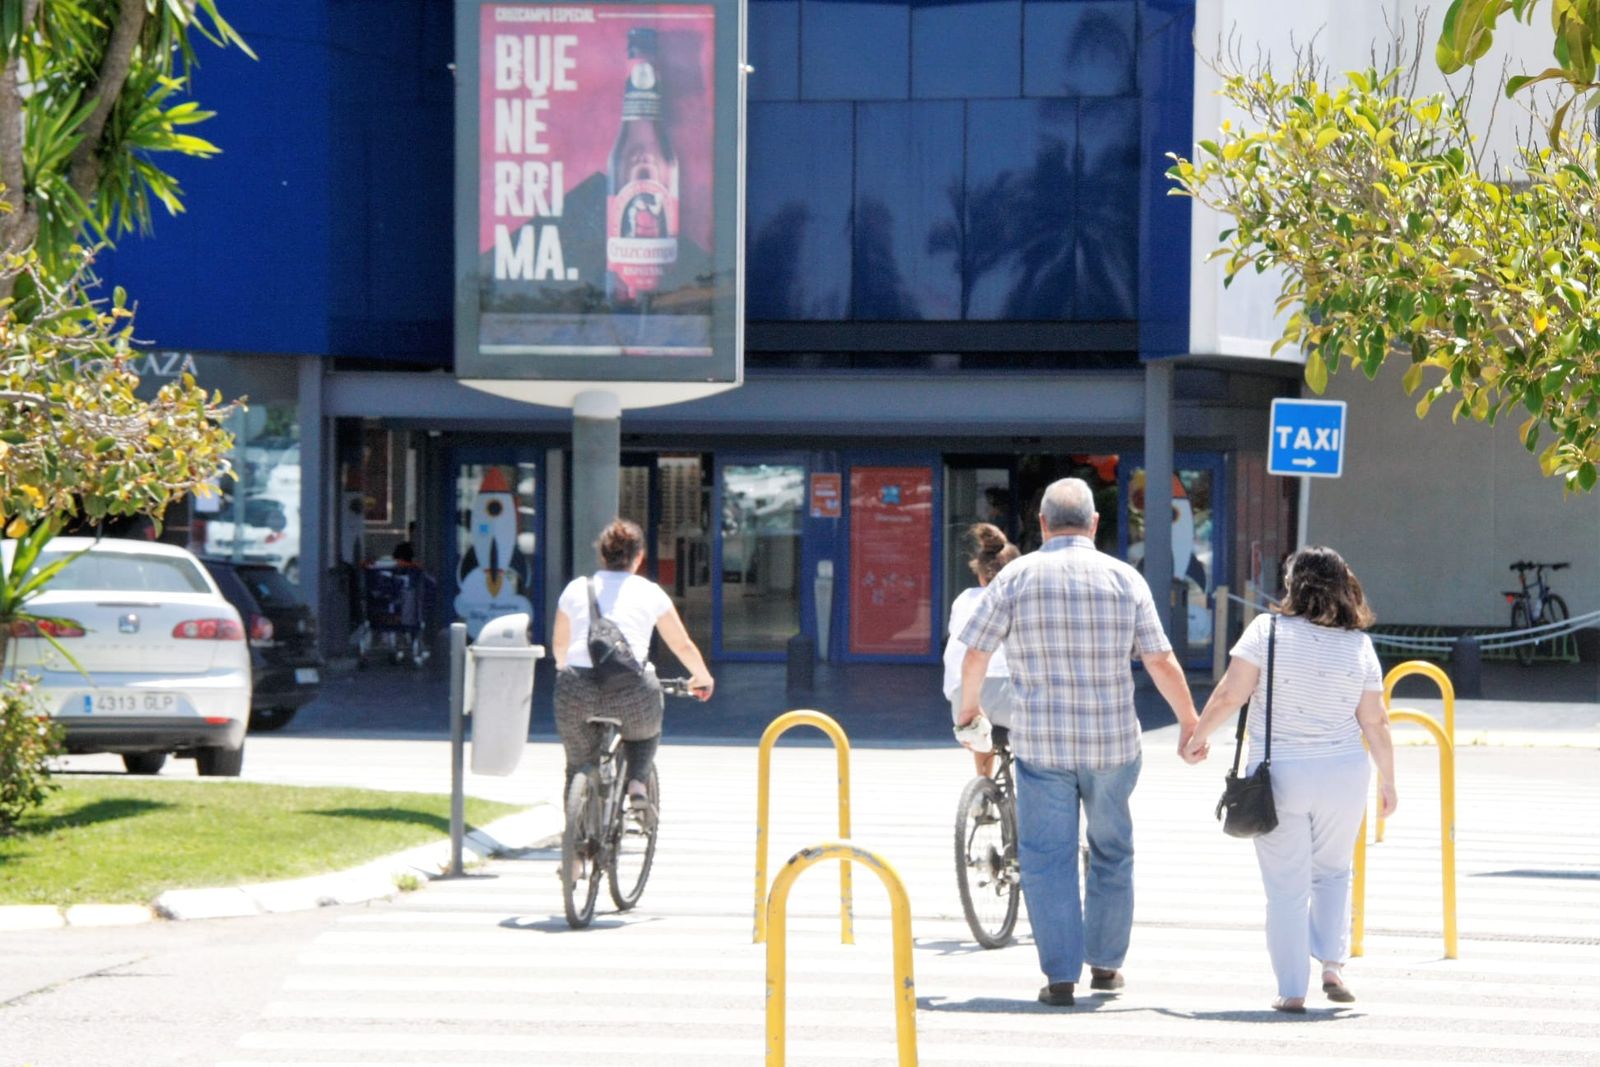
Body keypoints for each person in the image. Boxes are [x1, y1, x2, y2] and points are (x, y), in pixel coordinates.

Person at [958, 477, 1199, 1008]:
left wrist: (968, 711)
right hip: (1113, 745)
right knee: (1113, 850)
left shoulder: (1015, 577)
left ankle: (1061, 976)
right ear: (1094, 524)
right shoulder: (1125, 578)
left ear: (1042, 525)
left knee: (1048, 857)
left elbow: (975, 652)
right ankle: (1107, 966)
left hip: (1042, 744)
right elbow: (1159, 658)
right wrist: (1189, 721)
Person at [1183, 545, 1397, 1013]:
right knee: (1335, 872)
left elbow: (1229, 694)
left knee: (1286, 887)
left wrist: (1197, 736)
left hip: (1281, 774)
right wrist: (1388, 780)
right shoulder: (1358, 643)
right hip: (1344, 773)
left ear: (1293, 584)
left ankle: (1293, 989)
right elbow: (1375, 721)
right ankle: (1333, 965)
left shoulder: (1268, 630)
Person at [550, 519, 714, 823]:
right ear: (638, 557)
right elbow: (682, 644)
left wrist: (566, 670)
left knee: (576, 767)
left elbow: (559, 645)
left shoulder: (575, 589)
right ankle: (637, 782)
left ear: (602, 556)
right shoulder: (650, 592)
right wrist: (703, 677)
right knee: (645, 732)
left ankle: (573, 854)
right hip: (632, 692)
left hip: (575, 692)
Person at [942, 523, 1020, 777]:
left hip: (964, 699)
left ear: (980, 574)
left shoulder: (964, 599)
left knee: (982, 732)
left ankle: (983, 790)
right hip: (1013, 697)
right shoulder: (1020, 599)